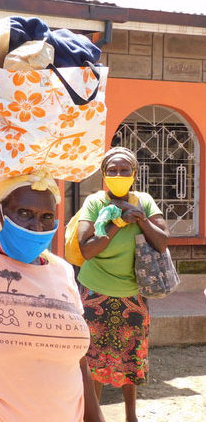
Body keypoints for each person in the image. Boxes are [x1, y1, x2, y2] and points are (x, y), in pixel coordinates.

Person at [0, 54, 104, 422]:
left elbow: (78, 365)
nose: (36, 226)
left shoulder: (62, 271)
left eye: (47, 217)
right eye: (25, 214)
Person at [77, 147, 169, 422]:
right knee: (94, 358)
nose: (118, 175)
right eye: (112, 171)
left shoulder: (145, 201)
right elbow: (86, 249)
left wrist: (139, 217)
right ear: (104, 174)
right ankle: (92, 416)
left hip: (133, 294)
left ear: (134, 174)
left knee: (132, 358)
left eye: (124, 170)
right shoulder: (94, 203)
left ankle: (131, 416)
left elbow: (162, 241)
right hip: (95, 292)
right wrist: (117, 220)